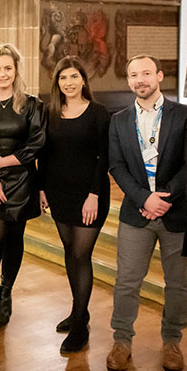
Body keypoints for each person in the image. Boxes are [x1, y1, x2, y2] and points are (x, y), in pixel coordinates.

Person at [105, 55, 187, 371]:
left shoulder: (184, 116)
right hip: (136, 214)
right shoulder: (118, 120)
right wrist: (144, 198)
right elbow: (116, 165)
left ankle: (172, 342)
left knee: (179, 284)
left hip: (176, 213)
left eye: (145, 73)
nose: (139, 80)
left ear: (159, 75)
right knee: (127, 281)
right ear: (128, 81)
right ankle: (122, 341)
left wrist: (164, 197)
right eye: (133, 75)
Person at [38, 56, 110, 354]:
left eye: (73, 77)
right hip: (58, 192)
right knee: (70, 253)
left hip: (89, 196)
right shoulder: (50, 112)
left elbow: (105, 157)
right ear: (57, 82)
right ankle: (79, 310)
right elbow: (44, 153)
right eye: (63, 78)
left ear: (83, 80)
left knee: (81, 254)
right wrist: (41, 188)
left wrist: (93, 194)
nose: (68, 82)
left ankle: (80, 326)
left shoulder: (99, 113)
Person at [0, 43, 45, 329]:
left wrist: (6, 162)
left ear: (16, 71)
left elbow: (37, 143)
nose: (2, 74)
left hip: (22, 178)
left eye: (7, 68)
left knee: (15, 237)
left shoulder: (31, 104)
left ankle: (6, 290)